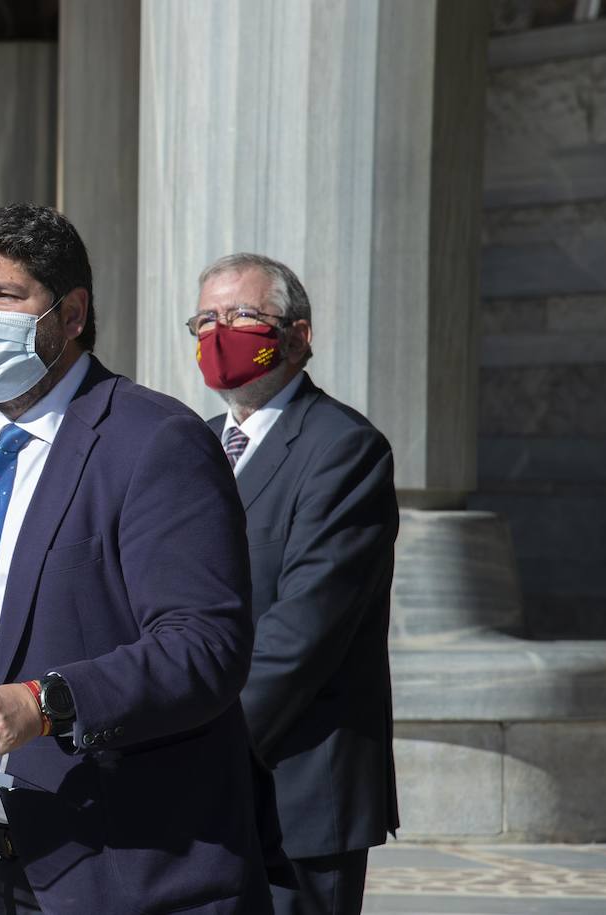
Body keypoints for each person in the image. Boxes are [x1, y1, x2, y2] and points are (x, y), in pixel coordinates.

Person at [0, 204, 287, 914]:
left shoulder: (154, 441)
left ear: (72, 312)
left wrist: (44, 702)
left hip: (111, 863)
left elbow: (204, 646)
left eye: (2, 296)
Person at [191, 253, 399, 915]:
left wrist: (196, 735)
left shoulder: (343, 448)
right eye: (205, 320)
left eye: (244, 316)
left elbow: (304, 630)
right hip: (194, 782)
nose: (220, 334)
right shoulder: (191, 446)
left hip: (295, 790)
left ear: (298, 336)